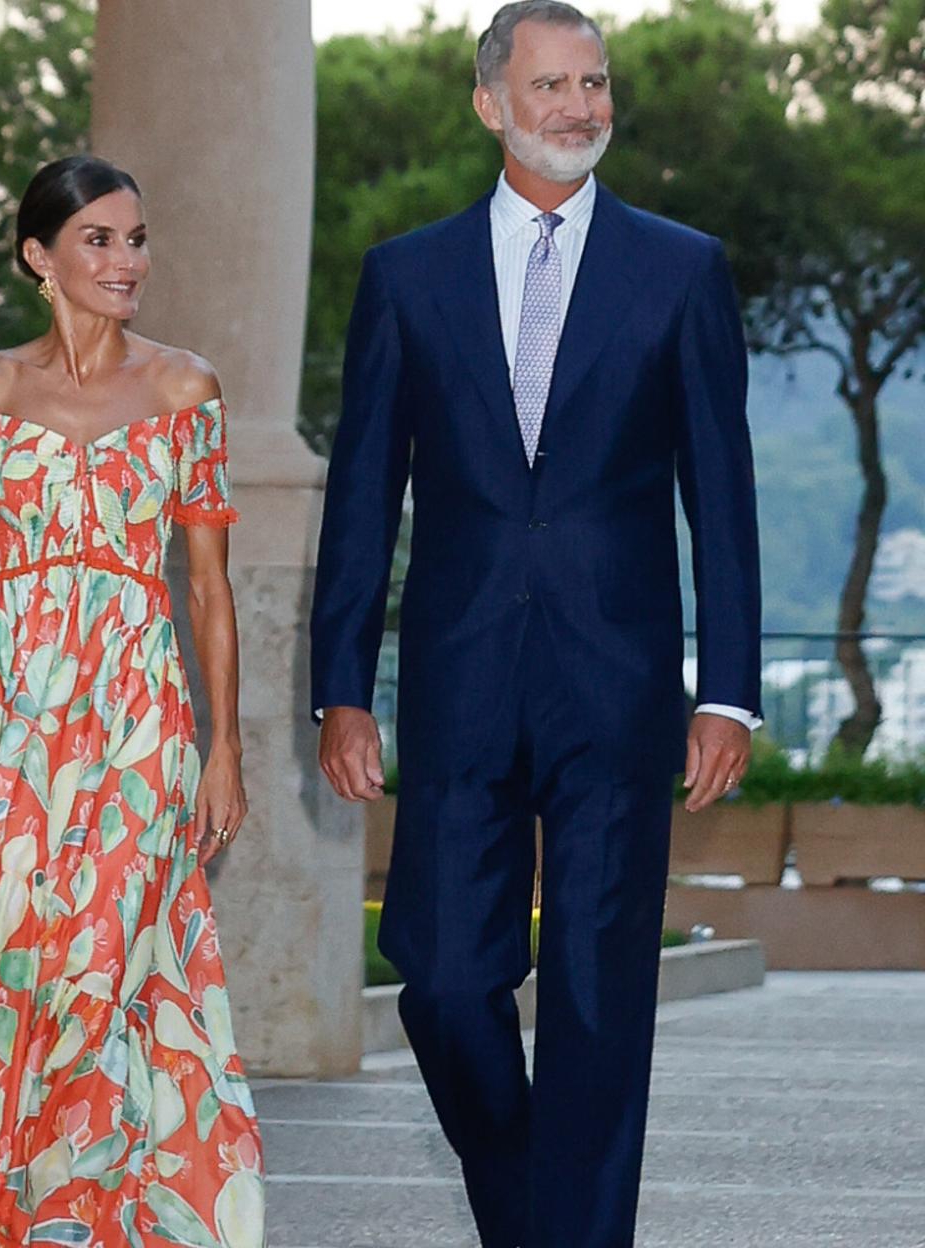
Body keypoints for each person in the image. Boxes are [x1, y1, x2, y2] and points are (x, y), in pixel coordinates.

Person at [310, 3, 762, 1245]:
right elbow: (364, 496)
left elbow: (722, 496)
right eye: (552, 84)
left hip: (620, 686)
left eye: (594, 82)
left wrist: (727, 690)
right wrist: (342, 685)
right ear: (490, 104)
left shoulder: (681, 269)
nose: (580, 106)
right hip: (458, 680)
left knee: (600, 999)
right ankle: (534, 1218)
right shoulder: (407, 275)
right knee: (446, 983)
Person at [0, 155, 266, 1248]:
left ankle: (94, 1218)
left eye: (137, 239)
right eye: (99, 240)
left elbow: (209, 592)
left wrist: (224, 750)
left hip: (136, 723)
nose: (128, 261)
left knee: (110, 965)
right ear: (40, 255)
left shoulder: (187, 390)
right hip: (7, 722)